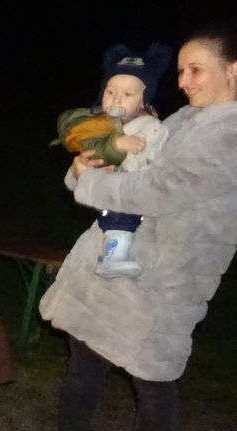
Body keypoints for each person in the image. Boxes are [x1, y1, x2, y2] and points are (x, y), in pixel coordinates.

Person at [34, 24, 237, 431]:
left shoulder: (234, 135)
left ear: (236, 69)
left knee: (153, 377)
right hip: (119, 263)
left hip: (168, 277)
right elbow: (136, 167)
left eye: (196, 70)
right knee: (84, 363)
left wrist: (91, 186)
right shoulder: (185, 119)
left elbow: (159, 191)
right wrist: (91, 164)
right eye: (181, 71)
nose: (184, 81)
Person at [56, 43, 172, 278]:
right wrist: (80, 170)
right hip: (105, 203)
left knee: (122, 219)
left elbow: (144, 169)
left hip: (133, 203)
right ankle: (111, 257)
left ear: (143, 100)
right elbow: (76, 177)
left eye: (128, 94)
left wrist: (120, 152)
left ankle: (113, 256)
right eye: (110, 92)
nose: (117, 99)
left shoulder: (151, 127)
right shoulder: (98, 126)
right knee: (116, 220)